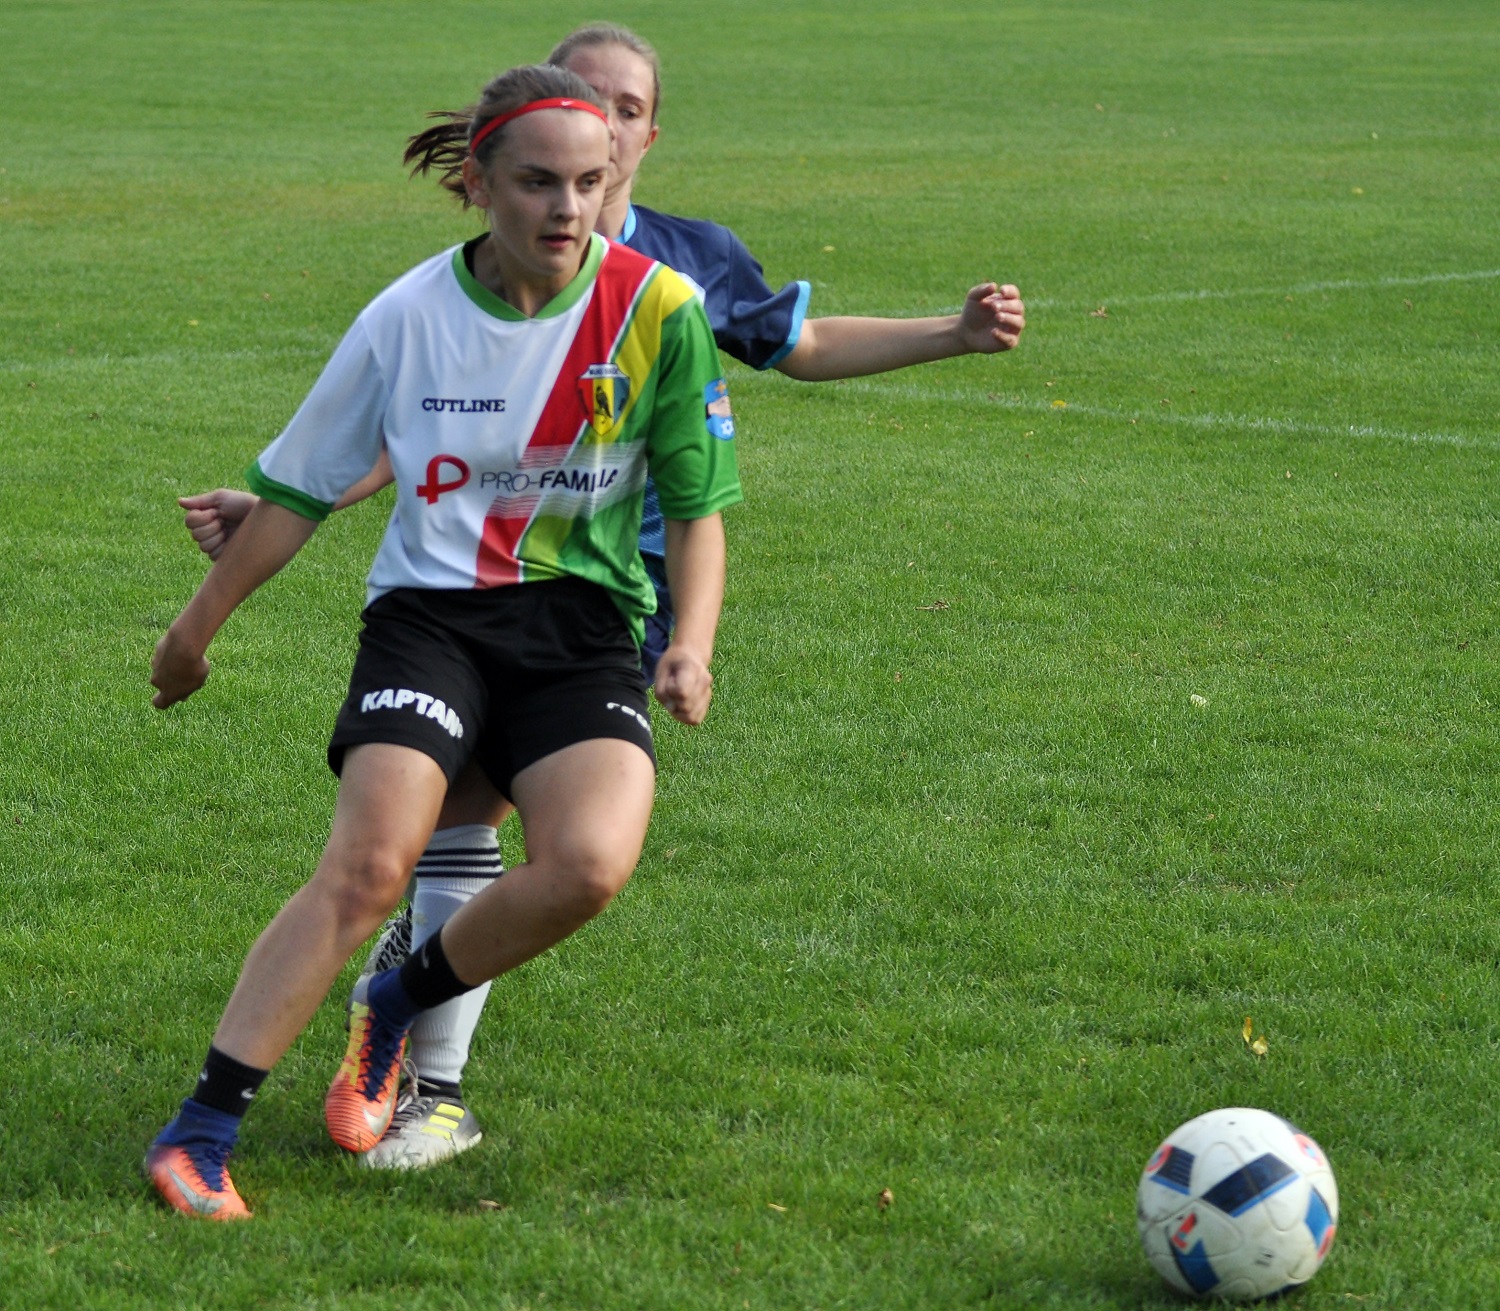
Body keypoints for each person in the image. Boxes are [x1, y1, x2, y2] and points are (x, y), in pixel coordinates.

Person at [179, 22, 1026, 1171]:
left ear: (642, 137)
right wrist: (289, 517)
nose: (592, 157)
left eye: (620, 119)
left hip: (603, 613)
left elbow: (785, 369)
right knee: (426, 841)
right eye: (566, 138)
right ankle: (405, 1089)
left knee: (569, 856)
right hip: (450, 606)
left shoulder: (674, 284)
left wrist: (949, 335)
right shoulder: (428, 300)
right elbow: (441, 425)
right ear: (488, 171)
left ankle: (402, 1029)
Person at [144, 61, 742, 1220]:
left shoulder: (660, 310)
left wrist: (693, 642)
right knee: (369, 865)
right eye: (535, 184)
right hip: (432, 620)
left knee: (590, 866)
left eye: (589, 180)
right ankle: (200, 1131)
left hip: (581, 628)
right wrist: (192, 634)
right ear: (477, 184)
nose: (565, 209)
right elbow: (296, 494)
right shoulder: (407, 317)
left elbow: (700, 504)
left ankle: (400, 1000)